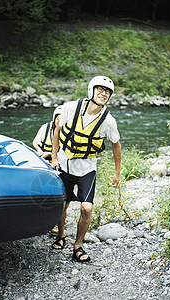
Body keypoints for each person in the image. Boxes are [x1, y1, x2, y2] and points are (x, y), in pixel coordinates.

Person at [51, 76, 121, 263]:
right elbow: (57, 130)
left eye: (107, 92)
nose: (103, 93)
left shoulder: (109, 122)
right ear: (91, 90)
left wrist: (117, 172)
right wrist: (55, 157)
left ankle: (78, 246)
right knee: (62, 204)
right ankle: (61, 235)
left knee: (87, 208)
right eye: (100, 89)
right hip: (65, 164)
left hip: (87, 168)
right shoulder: (70, 108)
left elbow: (116, 144)